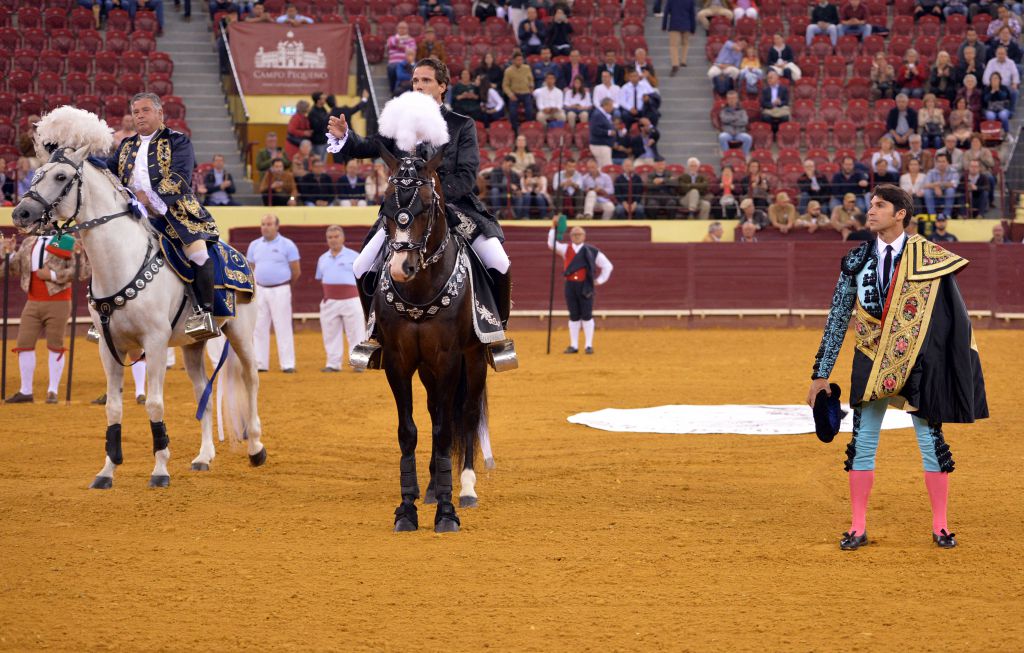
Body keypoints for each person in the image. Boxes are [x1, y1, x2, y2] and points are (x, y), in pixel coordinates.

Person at [808, 184, 987, 550]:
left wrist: (949, 367)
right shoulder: (855, 260)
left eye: (879, 206)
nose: (870, 211)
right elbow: (838, 318)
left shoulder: (929, 258)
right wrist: (820, 374)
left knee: (930, 440)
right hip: (871, 357)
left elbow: (953, 320)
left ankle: (941, 526)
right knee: (863, 441)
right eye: (870, 205)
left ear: (900, 214)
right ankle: (858, 526)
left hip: (918, 360)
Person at [326, 57, 515, 343]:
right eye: (415, 80)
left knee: (499, 262)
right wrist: (346, 138)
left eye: (426, 80)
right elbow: (370, 146)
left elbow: (466, 175)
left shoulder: (462, 125)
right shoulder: (400, 123)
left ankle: (496, 330)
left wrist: (436, 197)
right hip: (405, 211)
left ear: (442, 86)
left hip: (456, 208)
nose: (418, 85)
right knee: (361, 265)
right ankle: (374, 333)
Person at [106, 93, 220, 338]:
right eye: (135, 112)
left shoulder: (178, 141)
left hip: (176, 213)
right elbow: (109, 172)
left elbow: (179, 177)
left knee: (198, 254)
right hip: (134, 215)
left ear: (160, 113)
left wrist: (148, 197)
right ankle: (105, 313)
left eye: (145, 110)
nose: (139, 116)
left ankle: (204, 313)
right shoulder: (126, 146)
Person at [0, 234, 86, 403]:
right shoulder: (28, 242)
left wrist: (53, 276)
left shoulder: (68, 241)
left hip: (58, 300)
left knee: (55, 345)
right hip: (32, 301)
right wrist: (6, 253)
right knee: (24, 344)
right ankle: (26, 391)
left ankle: (52, 391)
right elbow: (13, 269)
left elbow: (81, 272)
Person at [547, 221, 614, 354]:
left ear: (584, 236)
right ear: (571, 236)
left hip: (586, 286)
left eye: (579, 234)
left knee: (587, 315)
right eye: (574, 234)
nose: (577, 236)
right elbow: (551, 244)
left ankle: (588, 345)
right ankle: (574, 345)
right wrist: (553, 227)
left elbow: (608, 266)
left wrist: (599, 281)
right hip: (570, 285)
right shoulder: (565, 248)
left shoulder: (592, 251)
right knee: (574, 315)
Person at [246, 214, 301, 373]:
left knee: (283, 326)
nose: (266, 227)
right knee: (259, 327)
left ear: (277, 226)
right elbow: (250, 268)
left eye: (269, 224)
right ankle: (261, 363)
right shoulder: (254, 245)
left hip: (281, 289)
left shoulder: (287, 244)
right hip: (260, 289)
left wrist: (285, 285)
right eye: (263, 224)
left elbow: (296, 271)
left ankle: (288, 364)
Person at [315, 226, 365, 373]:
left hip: (352, 299)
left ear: (343, 238)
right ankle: (333, 363)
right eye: (330, 237)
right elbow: (321, 279)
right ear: (327, 240)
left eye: (336, 236)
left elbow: (363, 278)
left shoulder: (355, 257)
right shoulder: (322, 259)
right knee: (330, 333)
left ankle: (359, 363)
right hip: (330, 300)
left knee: (356, 332)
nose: (333, 240)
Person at [502, 51, 537, 131]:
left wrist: (531, 87)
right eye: (518, 60)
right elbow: (505, 85)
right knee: (513, 112)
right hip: (514, 94)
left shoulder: (527, 68)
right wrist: (510, 94)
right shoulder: (508, 71)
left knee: (529, 110)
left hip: (526, 93)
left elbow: (531, 80)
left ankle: (528, 128)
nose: (520, 61)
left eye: (521, 60)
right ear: (513, 60)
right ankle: (514, 129)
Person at [663, 0, 697, 76]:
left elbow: (666, 12)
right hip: (686, 24)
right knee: (685, 44)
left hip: (674, 25)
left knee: (673, 45)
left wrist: (664, 25)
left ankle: (675, 64)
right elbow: (692, 14)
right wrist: (693, 28)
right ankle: (683, 61)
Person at [924, 152, 961, 218]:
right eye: (939, 162)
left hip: (948, 193)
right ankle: (932, 215)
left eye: (943, 161)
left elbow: (954, 184)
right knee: (927, 192)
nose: (941, 164)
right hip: (935, 194)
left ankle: (946, 215)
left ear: (947, 162)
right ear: (936, 163)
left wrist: (938, 185)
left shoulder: (953, 171)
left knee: (950, 190)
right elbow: (926, 185)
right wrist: (935, 187)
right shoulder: (931, 172)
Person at [386, 22, 417, 95]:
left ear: (407, 29)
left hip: (406, 62)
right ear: (397, 29)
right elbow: (391, 43)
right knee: (391, 68)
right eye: (400, 28)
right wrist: (405, 46)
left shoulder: (411, 39)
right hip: (394, 62)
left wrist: (400, 46)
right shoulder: (392, 38)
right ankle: (393, 90)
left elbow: (412, 50)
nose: (402, 29)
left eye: (404, 28)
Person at [589, 97, 617, 169]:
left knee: (601, 168)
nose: (612, 108)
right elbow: (594, 130)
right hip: (600, 145)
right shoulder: (597, 115)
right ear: (605, 105)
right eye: (611, 106)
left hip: (603, 145)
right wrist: (608, 132)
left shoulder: (603, 115)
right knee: (607, 167)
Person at [308, 92, 331, 161]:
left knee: (324, 162)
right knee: (318, 162)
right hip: (318, 142)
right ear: (318, 101)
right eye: (323, 98)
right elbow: (316, 127)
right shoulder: (312, 112)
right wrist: (326, 119)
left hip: (325, 140)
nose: (325, 100)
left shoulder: (323, 109)